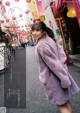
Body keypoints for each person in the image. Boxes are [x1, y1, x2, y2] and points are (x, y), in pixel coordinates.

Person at [31, 21, 80, 113]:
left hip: (53, 79)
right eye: (33, 31)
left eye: (37, 30)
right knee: (65, 101)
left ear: (43, 31)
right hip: (59, 76)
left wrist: (64, 79)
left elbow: (54, 65)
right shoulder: (49, 40)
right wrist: (64, 72)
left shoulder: (41, 45)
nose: (34, 33)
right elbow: (61, 56)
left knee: (61, 104)